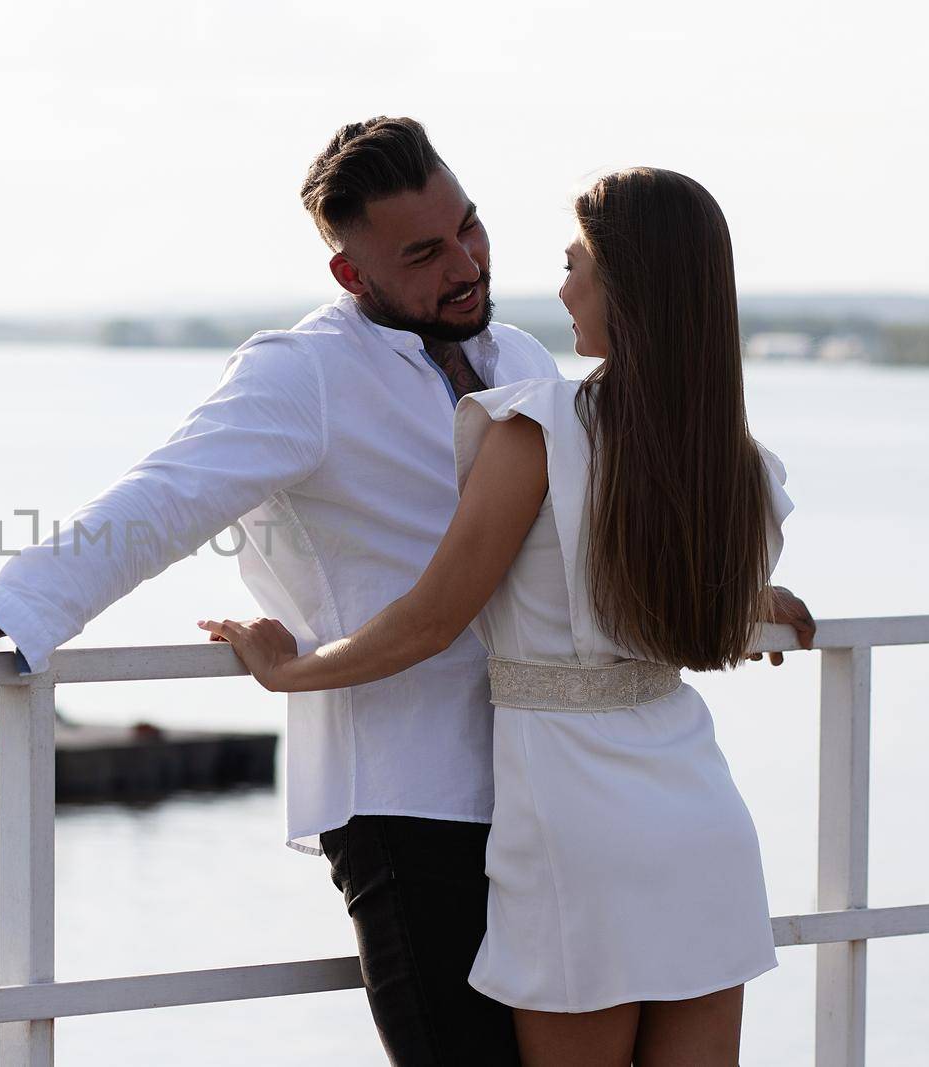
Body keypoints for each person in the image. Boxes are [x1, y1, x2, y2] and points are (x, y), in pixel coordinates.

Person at [0, 119, 814, 1065]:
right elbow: (162, 498)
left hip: (549, 790)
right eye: (425, 252)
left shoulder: (522, 363)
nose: (467, 264)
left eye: (470, 227)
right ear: (352, 275)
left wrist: (733, 591)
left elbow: (599, 520)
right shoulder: (302, 374)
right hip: (406, 803)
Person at [201, 167, 815, 1066]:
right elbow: (649, 590)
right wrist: (746, 600)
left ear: (629, 285)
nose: (561, 288)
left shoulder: (537, 427)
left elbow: (430, 620)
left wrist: (291, 668)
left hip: (578, 828)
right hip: (700, 810)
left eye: (577, 266)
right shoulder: (735, 461)